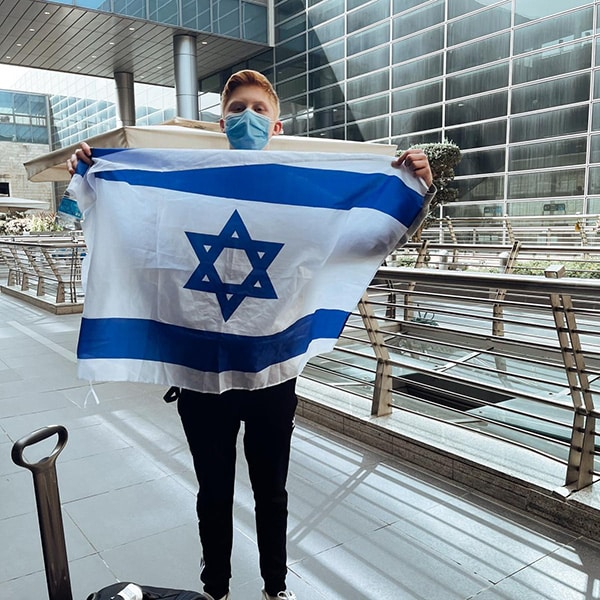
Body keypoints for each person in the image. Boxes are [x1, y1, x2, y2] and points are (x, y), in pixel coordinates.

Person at [67, 69, 434, 600]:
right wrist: (92, 177)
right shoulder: (191, 184)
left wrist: (412, 187)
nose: (247, 118)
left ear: (277, 123)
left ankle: (274, 588)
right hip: (201, 376)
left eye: (258, 109)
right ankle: (215, 589)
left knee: (272, 494)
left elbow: (369, 238)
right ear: (221, 121)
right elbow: (137, 237)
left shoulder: (302, 189)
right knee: (212, 494)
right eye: (236, 108)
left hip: (272, 373)